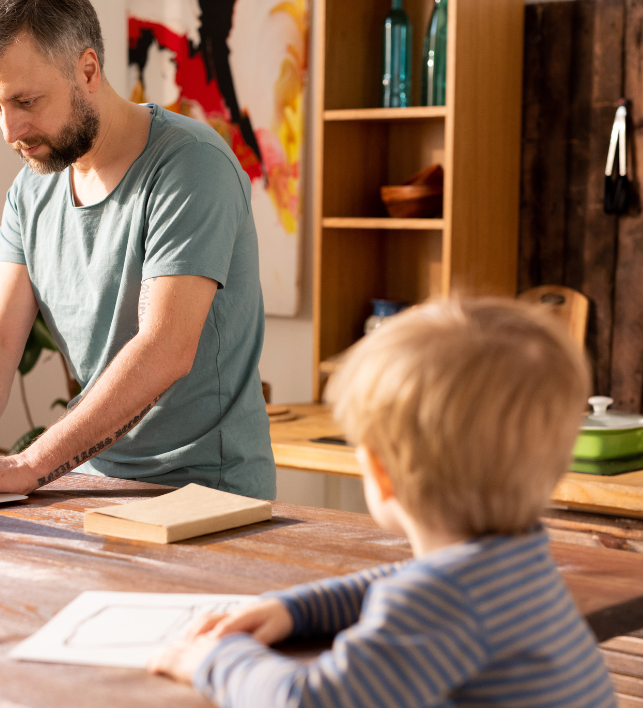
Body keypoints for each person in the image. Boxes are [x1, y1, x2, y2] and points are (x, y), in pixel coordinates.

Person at [0, 0, 275, 499]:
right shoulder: (33, 187)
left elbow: (166, 348)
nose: (9, 130)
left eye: (26, 101)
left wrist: (27, 464)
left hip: (206, 492)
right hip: (88, 481)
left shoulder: (191, 166)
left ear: (88, 70)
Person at [149, 299, 618, 708]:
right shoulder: (517, 561)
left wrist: (216, 659)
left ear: (381, 474)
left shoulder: (441, 598)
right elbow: (404, 580)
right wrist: (294, 609)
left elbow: (309, 700)